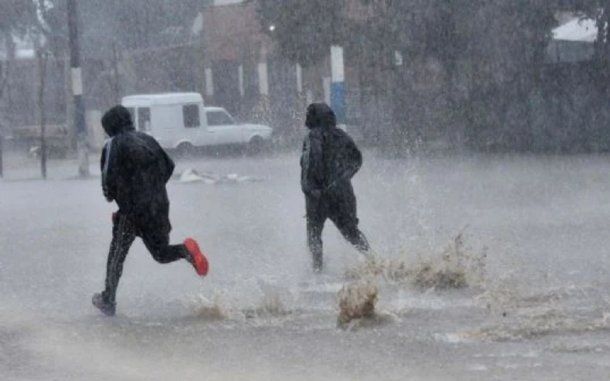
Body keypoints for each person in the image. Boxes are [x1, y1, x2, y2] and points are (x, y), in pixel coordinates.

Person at [92, 105, 208, 316]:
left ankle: (108, 299)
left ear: (109, 127)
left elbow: (108, 183)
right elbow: (169, 166)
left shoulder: (113, 144)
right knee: (161, 253)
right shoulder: (147, 139)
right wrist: (150, 190)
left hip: (131, 212)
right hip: (158, 207)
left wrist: (119, 196)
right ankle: (186, 251)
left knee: (117, 254)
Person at [300, 103, 371, 272]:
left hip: (318, 196)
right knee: (352, 233)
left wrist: (310, 188)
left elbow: (312, 161)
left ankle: (317, 271)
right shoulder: (341, 135)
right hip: (342, 195)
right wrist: (342, 179)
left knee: (314, 236)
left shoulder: (312, 137)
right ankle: (374, 262)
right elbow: (357, 159)